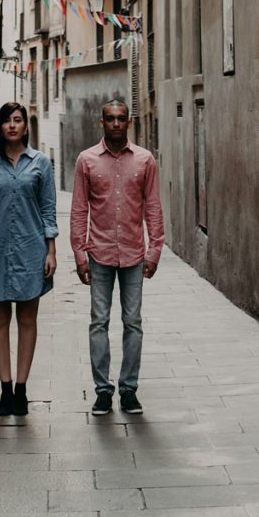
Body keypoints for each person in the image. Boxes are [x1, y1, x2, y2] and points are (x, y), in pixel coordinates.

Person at [70, 98, 165, 416]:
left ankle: (128, 389)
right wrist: (79, 254)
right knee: (98, 322)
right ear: (101, 122)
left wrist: (154, 250)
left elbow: (152, 206)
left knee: (133, 323)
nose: (115, 124)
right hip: (99, 254)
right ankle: (102, 391)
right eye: (109, 118)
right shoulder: (86, 160)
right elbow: (79, 209)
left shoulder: (145, 160)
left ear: (129, 122)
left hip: (134, 255)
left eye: (121, 118)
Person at [0, 102, 57, 417]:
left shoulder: (41, 164)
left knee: (28, 320)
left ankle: (22, 388)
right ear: (0, 127)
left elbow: (48, 210)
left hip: (31, 249)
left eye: (17, 120)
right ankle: (5, 389)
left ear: (25, 126)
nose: (12, 125)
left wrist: (51, 250)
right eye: (6, 120)